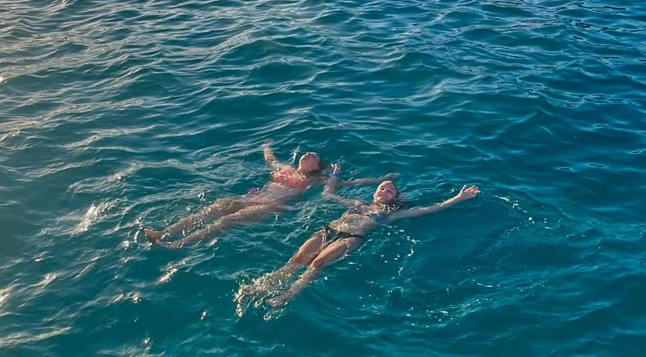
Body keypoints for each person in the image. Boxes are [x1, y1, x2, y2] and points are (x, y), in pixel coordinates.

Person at [249, 165, 480, 309]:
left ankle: (288, 295)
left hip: (350, 237)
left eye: (390, 190)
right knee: (298, 258)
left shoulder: (391, 214)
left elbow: (429, 209)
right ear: (375, 192)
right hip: (329, 229)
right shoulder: (357, 203)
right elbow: (329, 193)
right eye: (382, 188)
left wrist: (458, 198)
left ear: (396, 197)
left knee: (318, 263)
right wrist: (335, 175)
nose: (385, 191)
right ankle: (264, 284)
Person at [144, 142, 398, 248]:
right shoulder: (285, 169)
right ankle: (165, 232)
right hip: (250, 197)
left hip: (270, 205)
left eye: (314, 156)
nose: (309, 154)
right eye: (307, 153)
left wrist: (379, 180)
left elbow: (351, 183)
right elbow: (270, 160)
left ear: (318, 166)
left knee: (224, 222)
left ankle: (179, 244)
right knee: (213, 208)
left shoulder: (318, 179)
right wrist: (266, 146)